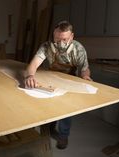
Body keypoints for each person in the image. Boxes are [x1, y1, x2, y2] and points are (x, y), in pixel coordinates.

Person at [24, 20, 92, 149]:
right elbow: (33, 64)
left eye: (64, 39)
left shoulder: (78, 49)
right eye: (56, 39)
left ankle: (63, 136)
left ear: (72, 36)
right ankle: (48, 130)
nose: (60, 44)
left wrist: (85, 76)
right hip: (51, 79)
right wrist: (30, 75)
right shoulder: (46, 46)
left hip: (69, 81)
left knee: (66, 110)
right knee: (50, 107)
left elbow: (84, 68)